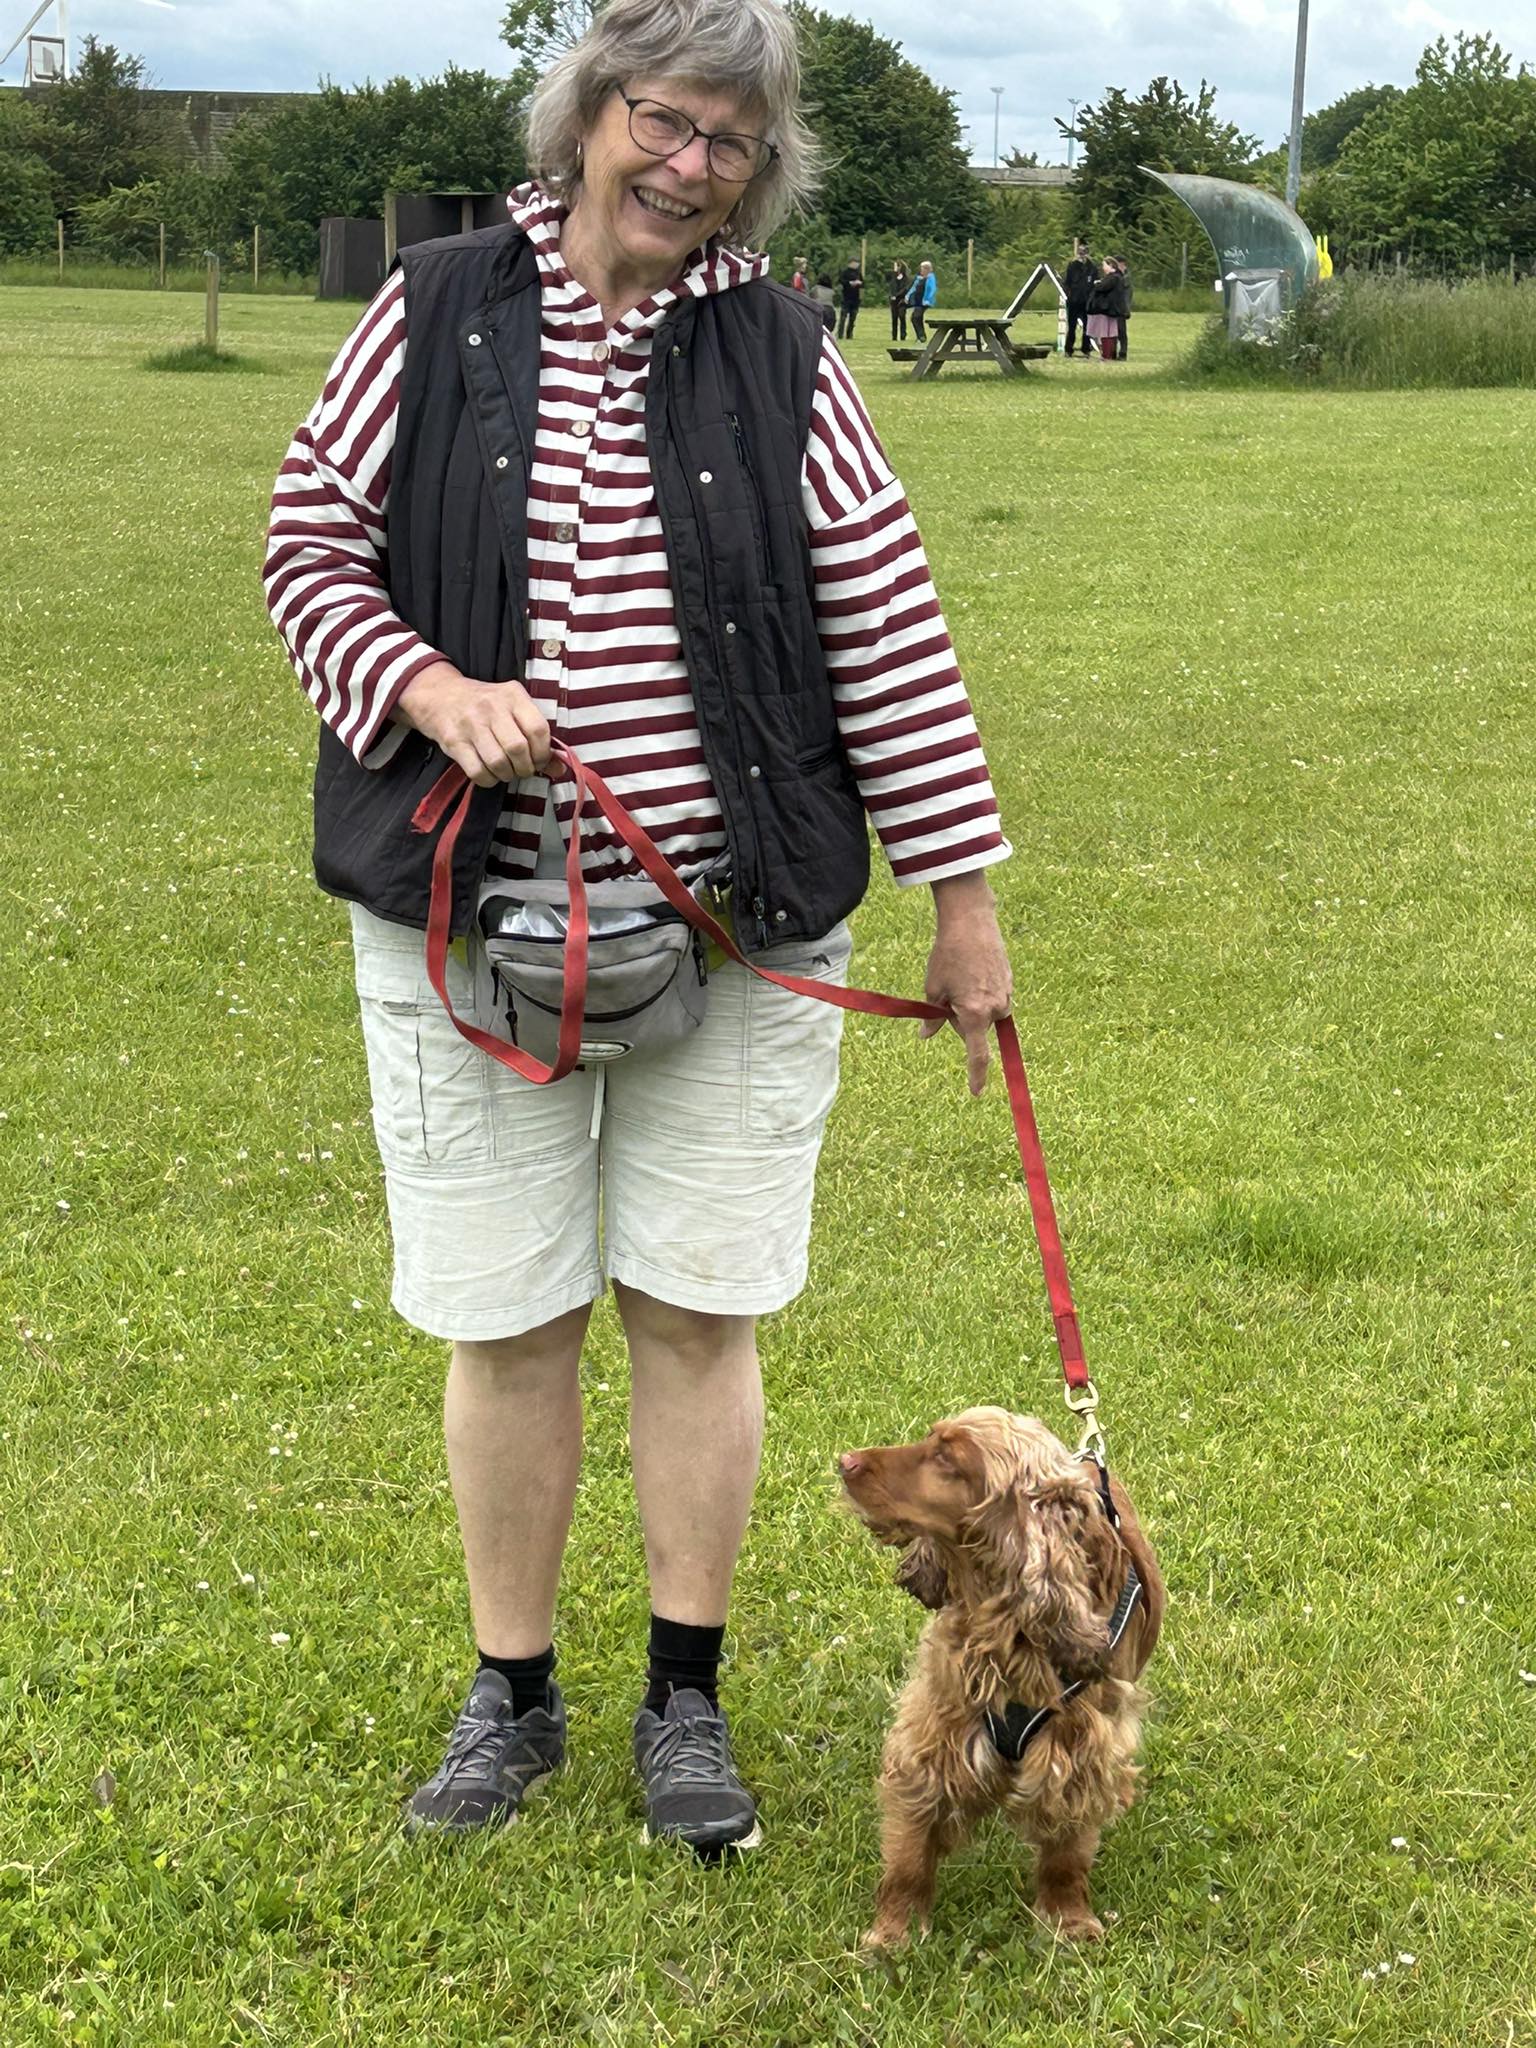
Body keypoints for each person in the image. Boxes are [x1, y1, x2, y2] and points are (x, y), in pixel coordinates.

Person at [263, 0, 1011, 1861]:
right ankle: (510, 1694)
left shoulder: (785, 350)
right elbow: (308, 543)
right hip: (463, 914)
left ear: (761, 171)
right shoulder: (433, 307)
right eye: (664, 122)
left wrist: (964, 902)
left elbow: (887, 624)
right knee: (508, 1316)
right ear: (590, 114)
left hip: (741, 923)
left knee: (696, 1308)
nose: (689, 167)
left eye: (730, 143)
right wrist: (431, 687)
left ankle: (687, 1695)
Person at [1086, 257, 1127, 361]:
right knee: (1109, 333)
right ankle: (1109, 354)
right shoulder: (1115, 277)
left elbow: (1102, 288)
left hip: (1108, 309)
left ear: (1111, 266)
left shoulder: (1114, 278)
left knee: (1106, 333)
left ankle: (1107, 355)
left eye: (1104, 265)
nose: (1103, 268)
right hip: (1110, 309)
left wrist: (1096, 284)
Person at [1063, 238, 1095, 357]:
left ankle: (1086, 349)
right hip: (1074, 300)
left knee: (1087, 327)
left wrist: (1091, 297)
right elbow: (1067, 283)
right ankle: (1068, 349)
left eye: (1084, 253)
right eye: (1080, 253)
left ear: (1087, 254)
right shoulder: (1072, 266)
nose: (1082, 256)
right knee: (1072, 326)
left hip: (1087, 301)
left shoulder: (1092, 267)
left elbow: (1094, 283)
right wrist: (1069, 295)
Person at [906, 258, 937, 341]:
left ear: (927, 269)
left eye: (922, 269)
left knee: (915, 317)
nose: (921, 270)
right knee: (917, 318)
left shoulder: (930, 278)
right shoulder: (919, 278)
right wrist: (907, 296)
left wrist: (928, 299)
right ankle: (921, 336)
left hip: (924, 301)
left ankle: (921, 336)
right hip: (918, 301)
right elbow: (913, 288)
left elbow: (932, 289)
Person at [836, 252, 863, 339]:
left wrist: (859, 283)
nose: (857, 265)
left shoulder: (858, 273)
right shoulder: (845, 272)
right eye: (855, 263)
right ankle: (840, 334)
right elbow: (841, 281)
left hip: (855, 298)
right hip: (846, 297)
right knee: (843, 317)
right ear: (851, 263)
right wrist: (849, 283)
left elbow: (863, 283)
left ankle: (849, 334)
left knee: (852, 318)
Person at [1113, 254, 1133, 361]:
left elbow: (1126, 295)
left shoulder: (1125, 278)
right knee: (1114, 331)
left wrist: (1126, 309)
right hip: (1116, 306)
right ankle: (1113, 351)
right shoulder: (1119, 276)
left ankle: (1123, 352)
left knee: (1121, 331)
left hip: (1121, 308)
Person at [888, 259, 910, 342]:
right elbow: (892, 287)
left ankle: (903, 335)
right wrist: (892, 296)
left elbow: (905, 289)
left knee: (902, 316)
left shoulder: (906, 278)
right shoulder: (893, 277)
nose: (895, 268)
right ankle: (894, 336)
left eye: (897, 266)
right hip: (893, 300)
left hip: (902, 300)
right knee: (894, 318)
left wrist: (896, 296)